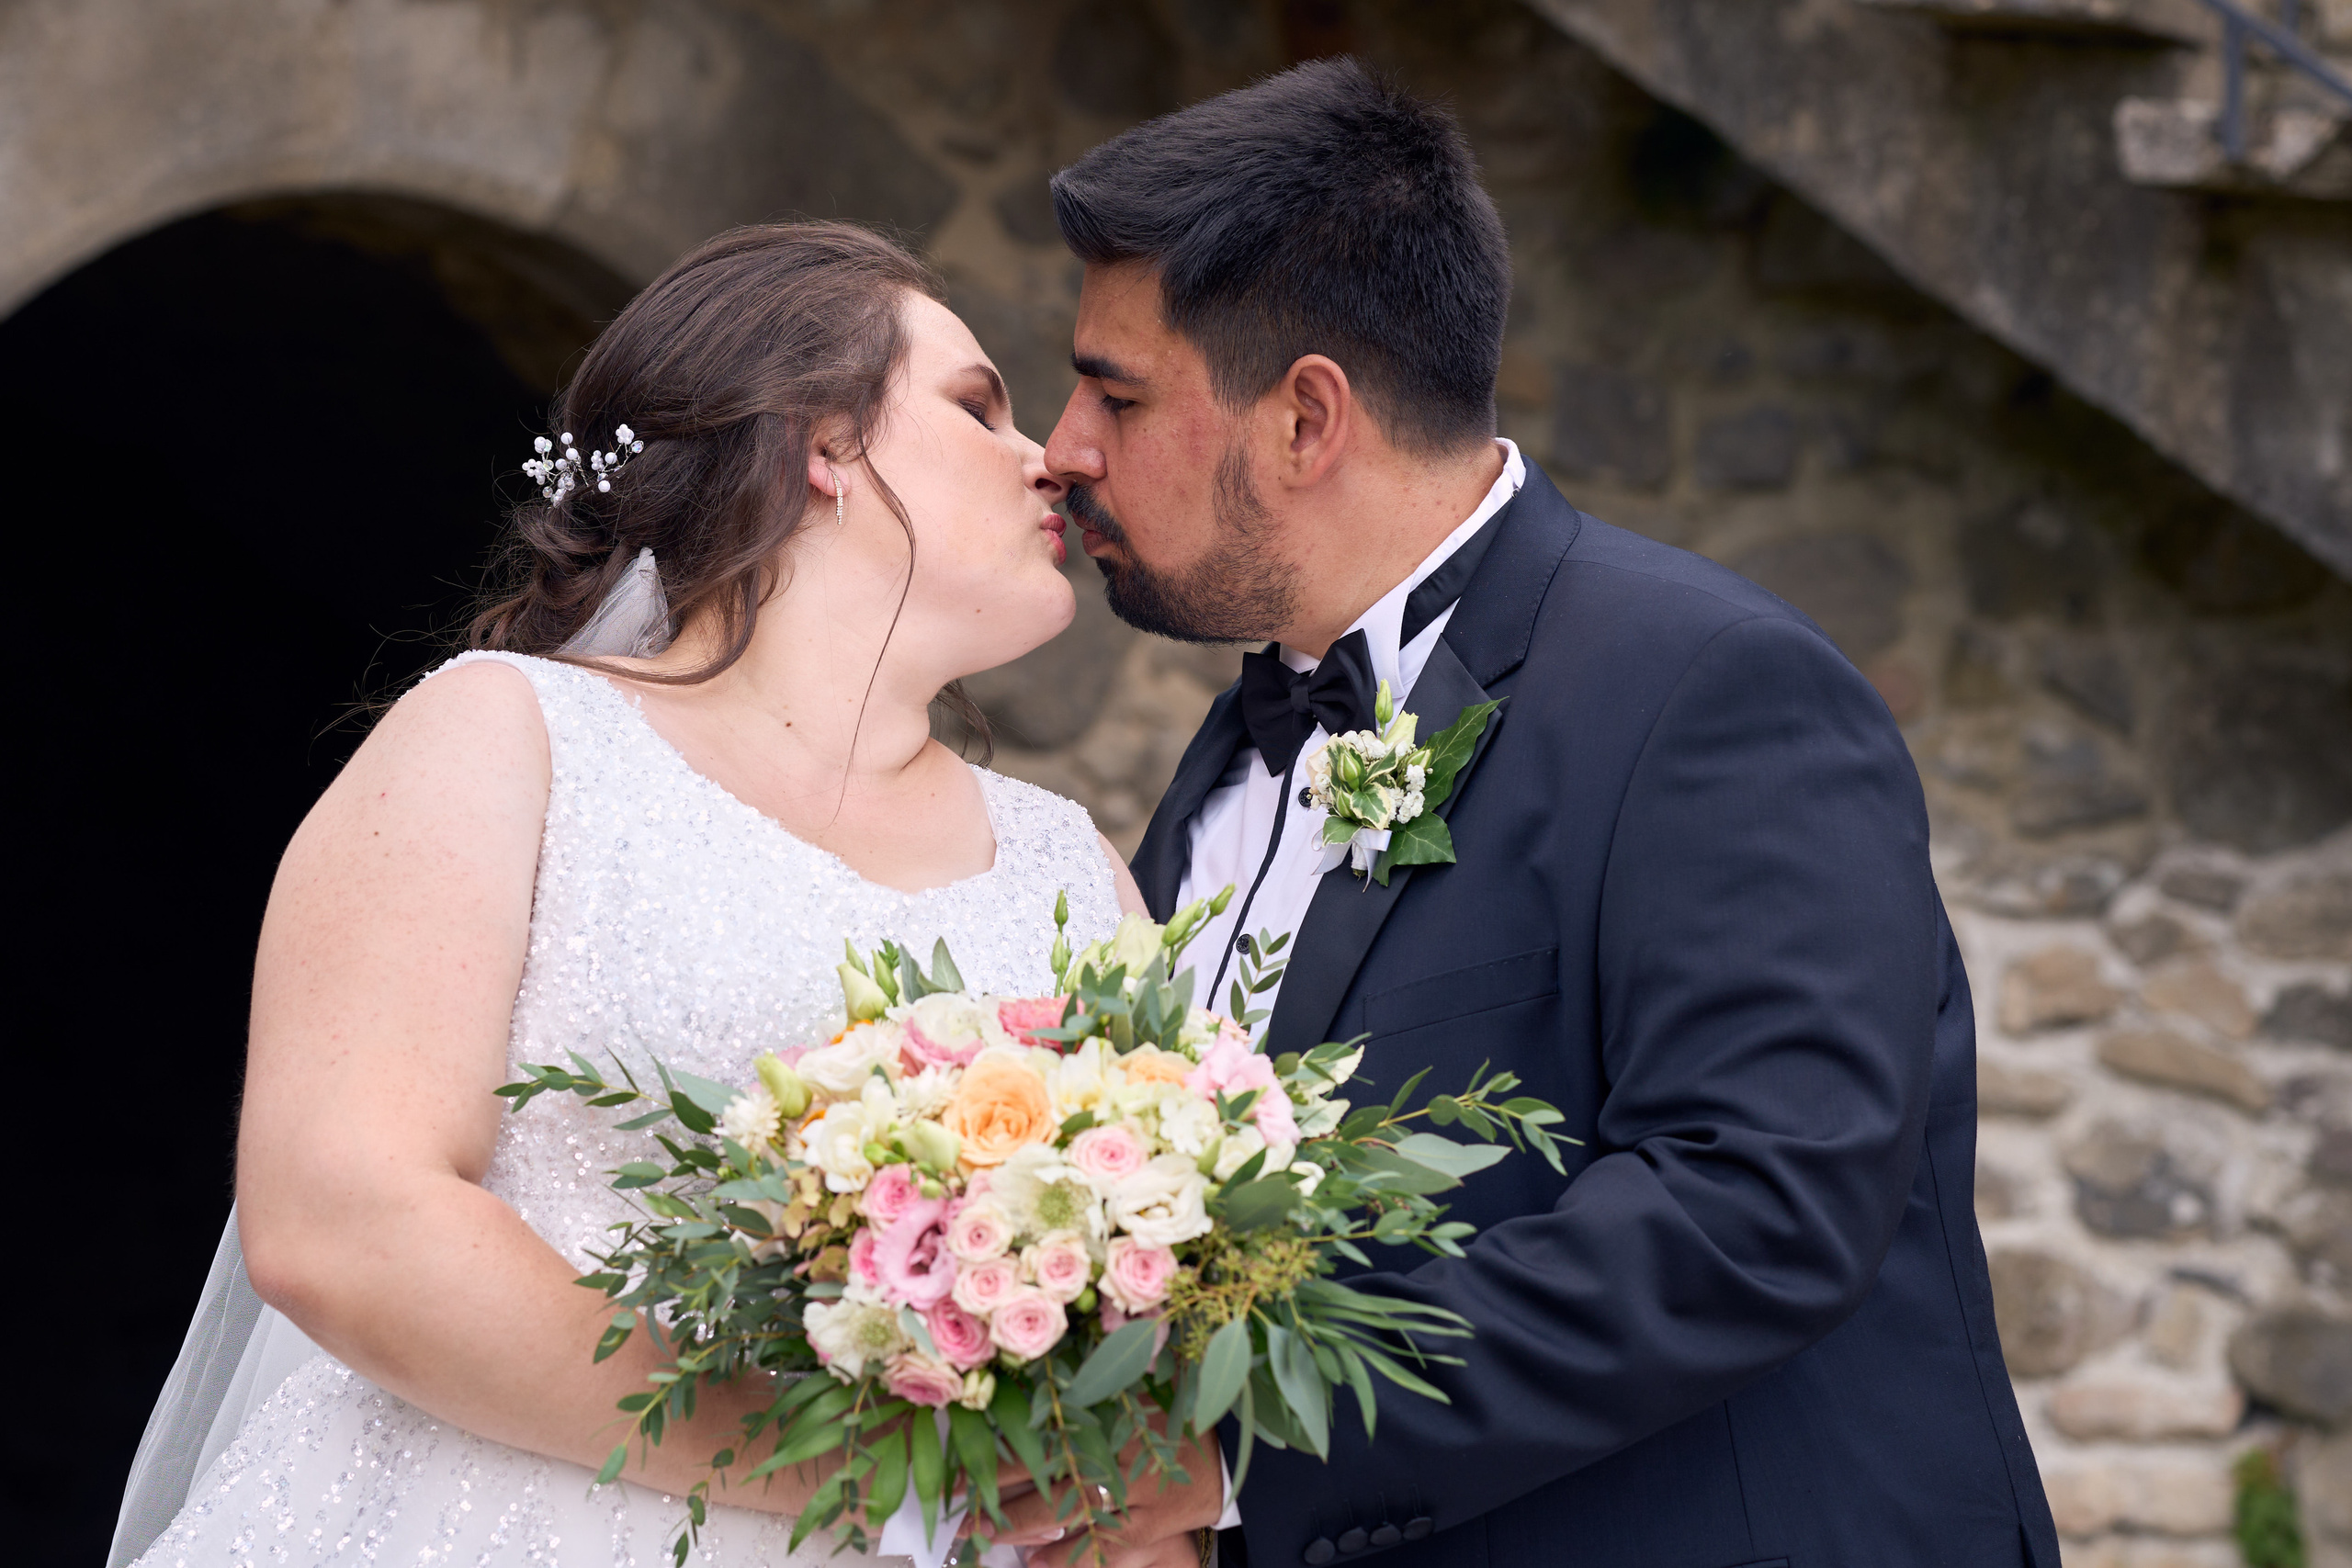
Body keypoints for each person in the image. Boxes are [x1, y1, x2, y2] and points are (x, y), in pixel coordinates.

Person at [999, 58, 2065, 1568]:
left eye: (1116, 390)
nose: (1066, 447)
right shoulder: (1234, 755)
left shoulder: (1713, 690)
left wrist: (1233, 1436)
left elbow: (1757, 1203)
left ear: (1309, 419)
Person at [111, 221, 1146, 1567]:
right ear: (822, 444)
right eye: (973, 406)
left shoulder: (1075, 866)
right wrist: (823, 1461)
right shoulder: (508, 741)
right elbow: (340, 1221)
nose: (1048, 458)